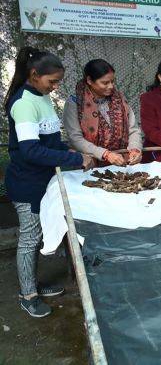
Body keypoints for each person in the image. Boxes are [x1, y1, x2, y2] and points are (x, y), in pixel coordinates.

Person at [4, 47, 93, 317]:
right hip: (27, 183)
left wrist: (70, 150)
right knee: (30, 238)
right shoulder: (23, 103)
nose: (55, 87)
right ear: (34, 75)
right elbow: (30, 150)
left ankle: (35, 285)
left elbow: (50, 141)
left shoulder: (40, 97)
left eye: (57, 82)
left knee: (42, 232)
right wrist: (75, 159)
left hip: (46, 179)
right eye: (51, 81)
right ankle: (28, 294)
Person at [63, 59, 143, 166]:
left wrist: (135, 149)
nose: (111, 86)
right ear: (89, 80)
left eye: (112, 81)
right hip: (89, 164)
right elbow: (75, 139)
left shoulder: (119, 99)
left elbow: (133, 129)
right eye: (105, 83)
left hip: (122, 162)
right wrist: (105, 154)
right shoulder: (75, 103)